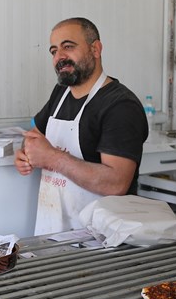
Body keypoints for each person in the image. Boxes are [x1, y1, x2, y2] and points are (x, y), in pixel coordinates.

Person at [15, 17, 148, 235]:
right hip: (53, 232)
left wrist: (52, 158)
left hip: (101, 241)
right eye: (54, 51)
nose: (59, 57)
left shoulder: (120, 106)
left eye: (68, 46)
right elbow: (34, 135)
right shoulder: (60, 94)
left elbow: (116, 184)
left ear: (95, 49)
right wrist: (25, 153)